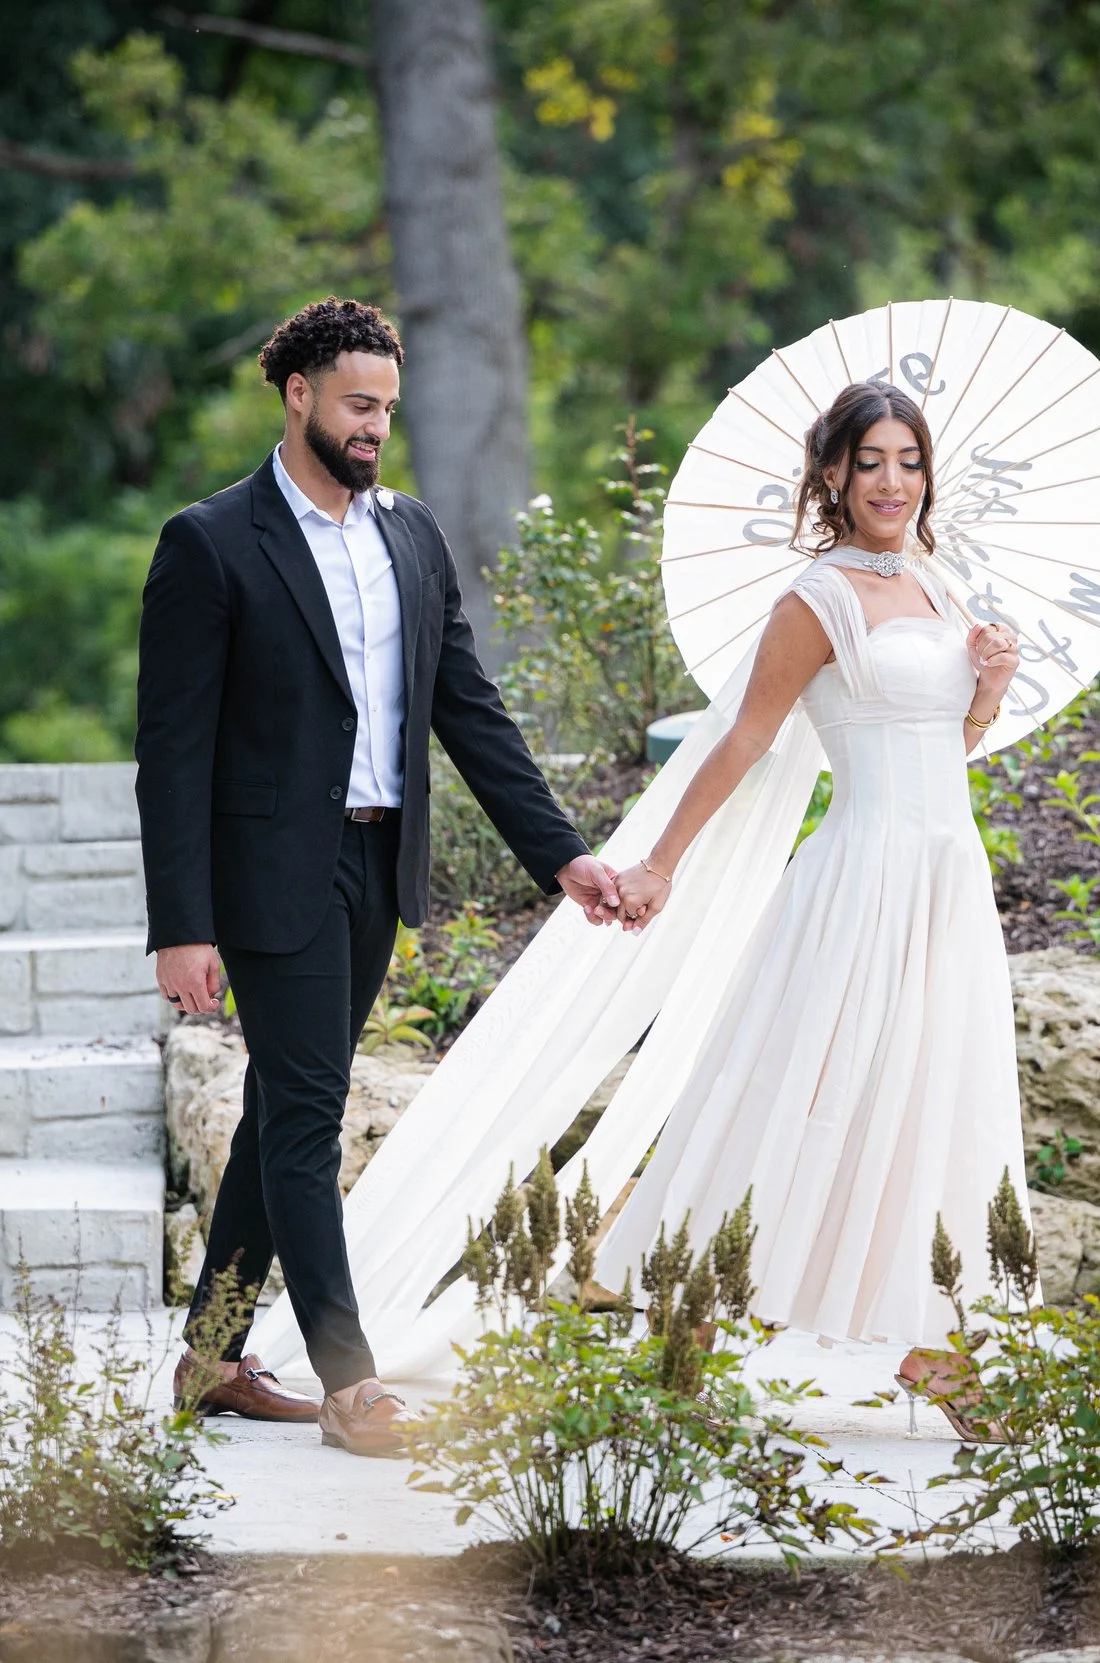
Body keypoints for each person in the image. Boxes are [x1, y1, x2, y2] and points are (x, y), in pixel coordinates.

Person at [135, 297, 627, 1457]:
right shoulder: (208, 543)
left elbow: (468, 709)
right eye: (358, 404)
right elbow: (173, 752)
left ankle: (209, 1357)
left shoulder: (410, 535)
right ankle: (350, 1385)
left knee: (279, 1112)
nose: (374, 427)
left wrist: (562, 854)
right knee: (307, 1117)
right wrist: (180, 922)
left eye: (387, 409)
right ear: (296, 393)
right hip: (269, 876)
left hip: (376, 861)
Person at [591, 379, 1033, 1424]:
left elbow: (945, 747)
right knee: (793, 1084)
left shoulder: (939, 590)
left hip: (945, 876)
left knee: (939, 1089)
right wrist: (661, 861)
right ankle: (684, 1315)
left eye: (910, 461)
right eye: (870, 460)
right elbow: (746, 738)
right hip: (858, 875)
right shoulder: (815, 599)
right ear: (831, 473)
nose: (892, 481)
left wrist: (989, 690)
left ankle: (938, 1344)